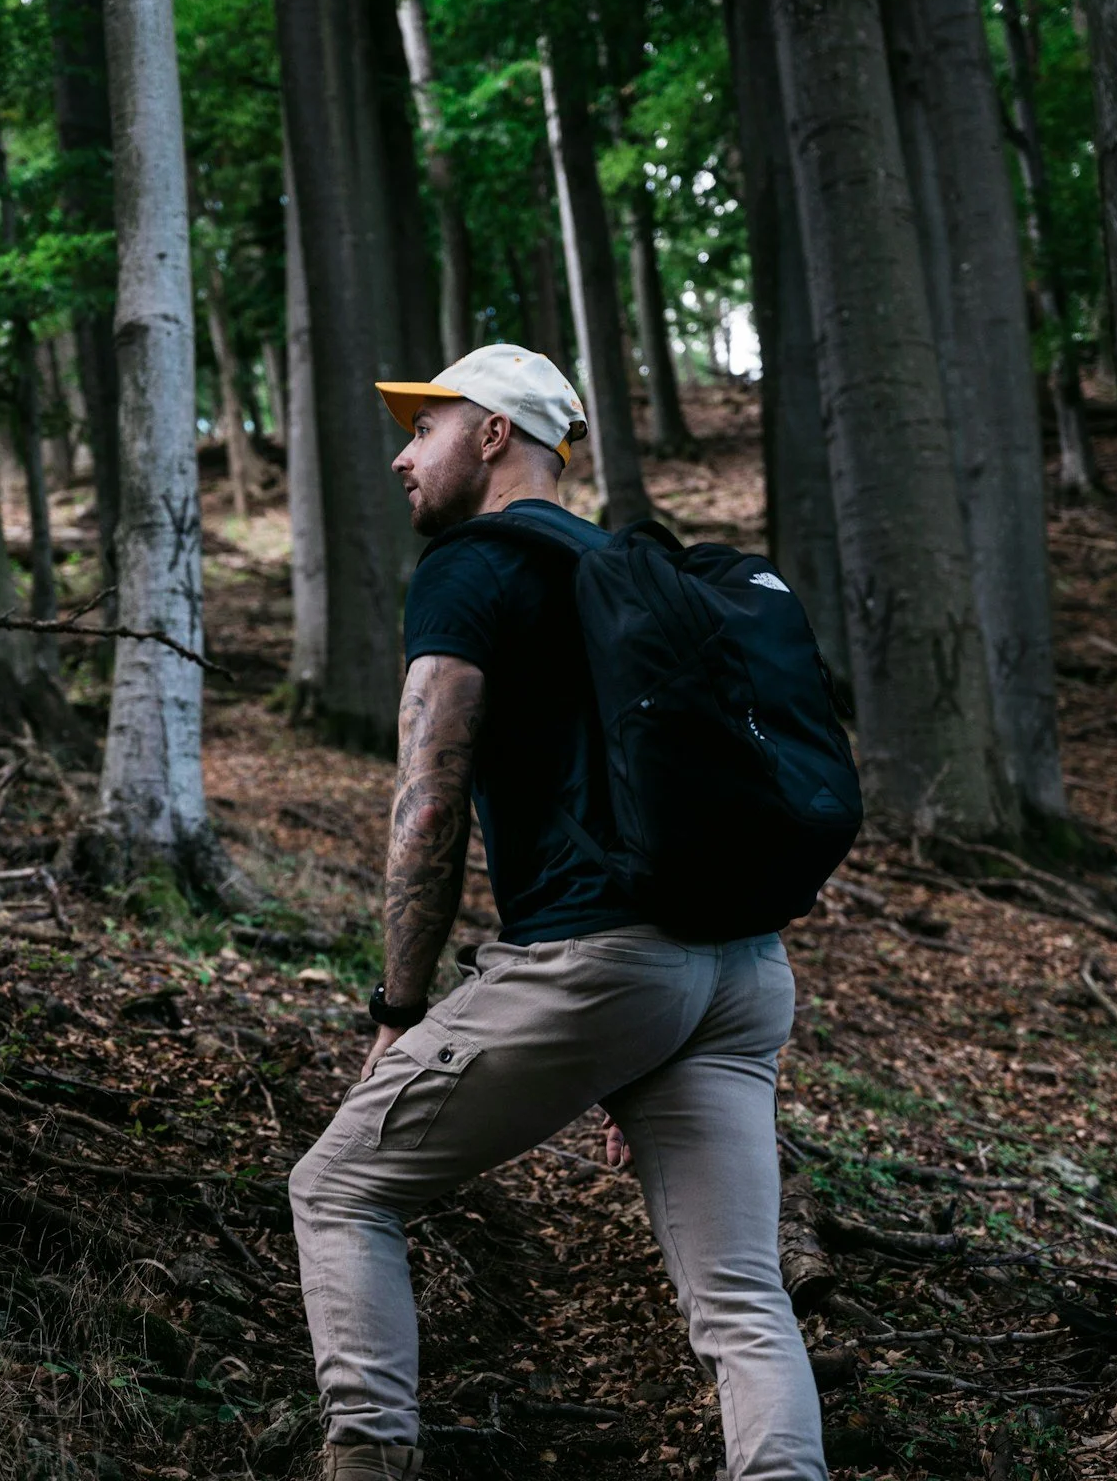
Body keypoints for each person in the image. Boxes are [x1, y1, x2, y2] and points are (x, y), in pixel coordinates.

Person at [287, 344, 827, 1481]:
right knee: (741, 1295)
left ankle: (368, 1456)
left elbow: (429, 797)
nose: (402, 457)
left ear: (493, 434)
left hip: (603, 962)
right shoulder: (628, 570)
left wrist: (399, 1005)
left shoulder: (471, 567)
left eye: (424, 428)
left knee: (336, 1187)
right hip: (740, 973)